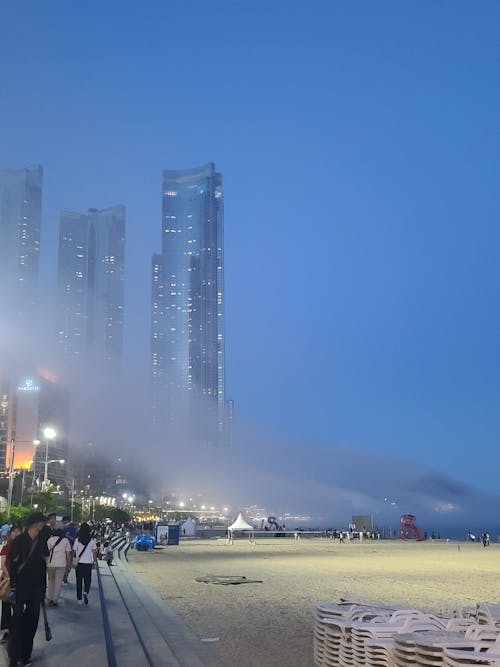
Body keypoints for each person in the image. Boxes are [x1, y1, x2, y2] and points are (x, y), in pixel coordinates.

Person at [7, 511, 49, 667]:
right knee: (17, 625)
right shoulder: (19, 541)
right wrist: (13, 586)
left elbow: (44, 565)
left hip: (36, 589)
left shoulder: (42, 540)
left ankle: (25, 656)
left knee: (31, 624)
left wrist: (43, 589)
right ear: (35, 523)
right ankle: (13, 658)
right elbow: (13, 564)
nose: (43, 524)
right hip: (20, 588)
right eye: (41, 522)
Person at [0, 525, 22, 642]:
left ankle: (15, 629)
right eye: (15, 531)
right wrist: (8, 576)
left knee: (17, 606)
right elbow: (3, 564)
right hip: (8, 580)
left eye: (19, 532)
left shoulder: (23, 547)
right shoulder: (7, 547)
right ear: (11, 533)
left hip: (19, 580)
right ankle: (5, 630)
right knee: (6, 606)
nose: (17, 534)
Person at [46, 528, 72, 606]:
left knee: (51, 581)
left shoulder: (49, 540)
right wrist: (69, 564)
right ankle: (55, 600)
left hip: (50, 564)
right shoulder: (65, 541)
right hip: (61, 564)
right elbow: (68, 554)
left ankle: (50, 598)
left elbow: (47, 552)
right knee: (58, 582)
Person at [72, 523, 97, 605]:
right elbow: (94, 552)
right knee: (88, 580)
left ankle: (79, 599)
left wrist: (72, 560)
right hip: (88, 563)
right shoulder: (92, 541)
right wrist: (94, 561)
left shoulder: (77, 540)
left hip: (79, 563)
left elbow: (74, 551)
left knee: (79, 581)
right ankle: (86, 592)